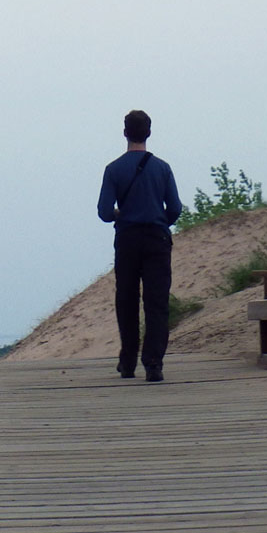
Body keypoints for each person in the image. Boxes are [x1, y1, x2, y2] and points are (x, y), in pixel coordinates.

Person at [96, 109, 182, 382]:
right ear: (149, 132)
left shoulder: (114, 169)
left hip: (128, 239)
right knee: (157, 302)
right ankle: (154, 364)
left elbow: (104, 212)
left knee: (127, 300)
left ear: (125, 133)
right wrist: (160, 221)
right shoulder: (162, 168)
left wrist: (121, 215)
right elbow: (176, 208)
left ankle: (128, 362)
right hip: (156, 239)